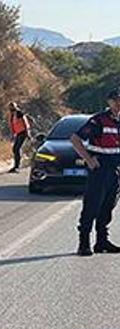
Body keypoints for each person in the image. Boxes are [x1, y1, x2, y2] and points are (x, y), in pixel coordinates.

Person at [70, 89, 120, 256]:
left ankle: (102, 241)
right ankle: (84, 243)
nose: (119, 104)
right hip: (100, 171)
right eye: (116, 100)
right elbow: (75, 139)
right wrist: (89, 159)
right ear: (110, 102)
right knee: (92, 206)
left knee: (107, 207)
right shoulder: (99, 120)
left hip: (115, 171)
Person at [7, 102, 32, 173]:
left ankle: (17, 166)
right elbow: (13, 125)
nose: (11, 108)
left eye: (12, 107)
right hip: (18, 133)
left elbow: (25, 123)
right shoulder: (12, 115)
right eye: (10, 107)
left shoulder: (19, 113)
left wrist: (28, 133)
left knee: (16, 148)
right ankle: (17, 165)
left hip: (23, 132)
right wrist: (13, 134)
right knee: (15, 149)